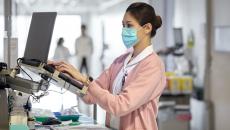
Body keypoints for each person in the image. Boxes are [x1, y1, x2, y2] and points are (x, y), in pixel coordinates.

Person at [50, 2, 166, 130]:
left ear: (147, 28)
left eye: (129, 25)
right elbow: (90, 96)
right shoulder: (120, 62)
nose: (124, 30)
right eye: (123, 25)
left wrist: (84, 79)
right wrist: (63, 75)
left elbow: (120, 106)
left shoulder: (153, 66)